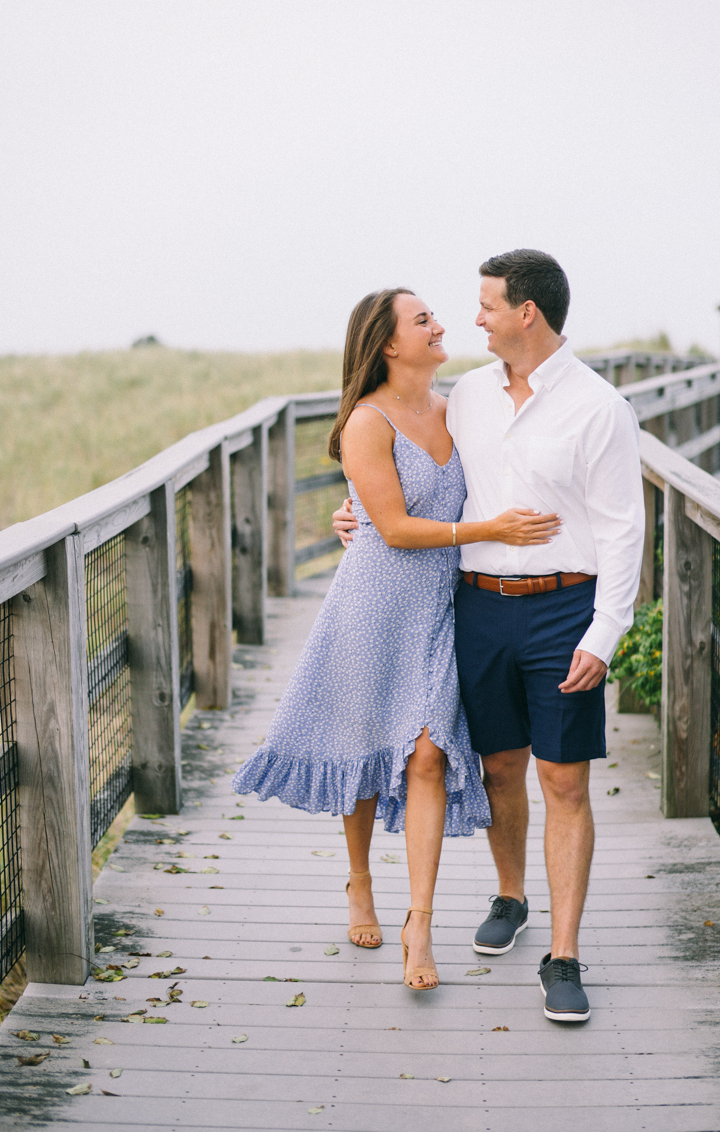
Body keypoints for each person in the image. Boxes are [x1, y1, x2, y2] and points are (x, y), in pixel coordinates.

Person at [333, 250, 645, 1021]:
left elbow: (623, 530)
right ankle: (511, 897)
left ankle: (563, 956)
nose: (472, 318)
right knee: (501, 769)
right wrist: (355, 521)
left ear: (526, 312)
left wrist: (606, 631)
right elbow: (399, 471)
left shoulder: (598, 408)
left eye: (487, 305)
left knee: (563, 779)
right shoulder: (463, 396)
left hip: (564, 610)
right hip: (473, 607)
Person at [232, 286, 561, 991]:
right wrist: (487, 530)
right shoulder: (365, 421)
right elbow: (394, 527)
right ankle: (358, 881)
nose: (440, 325)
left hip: (445, 607)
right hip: (374, 602)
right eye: (423, 320)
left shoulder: (459, 408)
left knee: (426, 757)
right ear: (387, 343)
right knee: (362, 747)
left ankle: (420, 922)